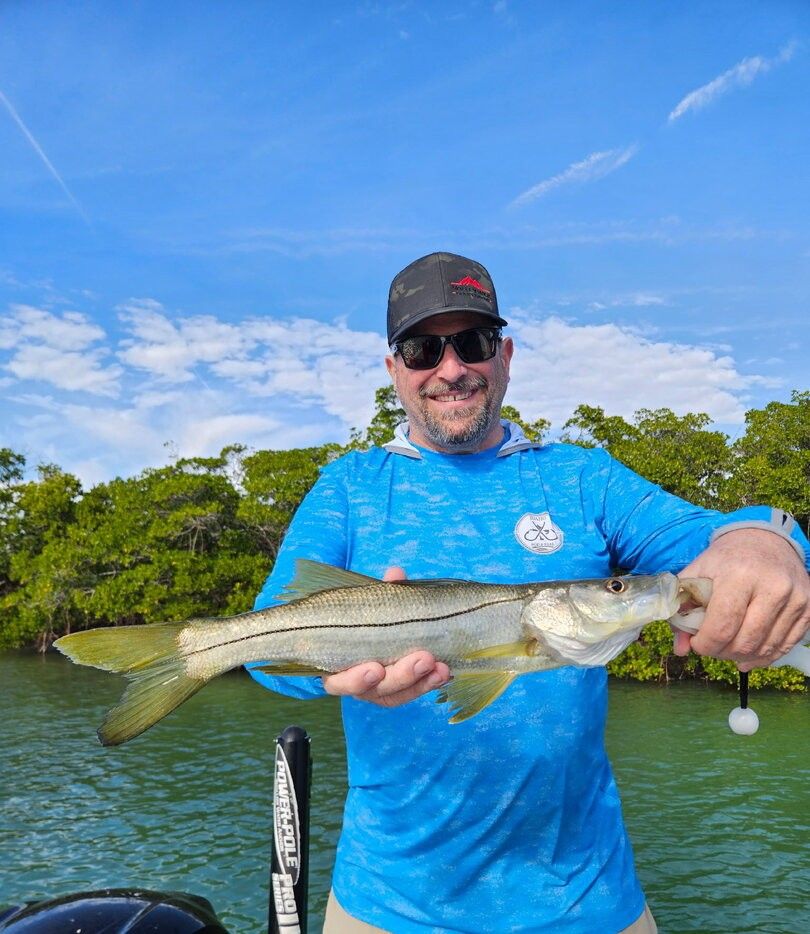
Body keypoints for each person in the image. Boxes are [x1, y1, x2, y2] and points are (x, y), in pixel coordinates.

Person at [248, 252, 810, 934]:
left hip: (590, 904)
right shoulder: (348, 487)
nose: (451, 368)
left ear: (505, 355)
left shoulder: (581, 478)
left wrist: (768, 540)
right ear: (395, 369)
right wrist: (338, 673)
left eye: (474, 343)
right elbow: (260, 649)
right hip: (387, 907)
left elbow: (712, 544)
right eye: (425, 348)